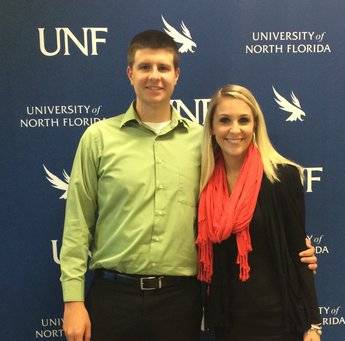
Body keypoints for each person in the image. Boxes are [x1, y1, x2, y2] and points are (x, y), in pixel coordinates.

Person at [60, 31, 318, 341]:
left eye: (163, 68)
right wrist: (73, 301)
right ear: (130, 73)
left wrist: (297, 252)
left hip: (180, 301)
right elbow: (77, 225)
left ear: (176, 75)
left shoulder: (205, 144)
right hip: (114, 296)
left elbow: (240, 204)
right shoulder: (98, 138)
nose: (154, 76)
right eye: (145, 67)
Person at [197, 84, 322, 341]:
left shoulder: (282, 177)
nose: (235, 130)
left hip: (279, 323)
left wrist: (312, 324)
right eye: (224, 120)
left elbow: (300, 255)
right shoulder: (203, 183)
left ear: (255, 125)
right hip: (227, 324)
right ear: (211, 127)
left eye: (244, 120)